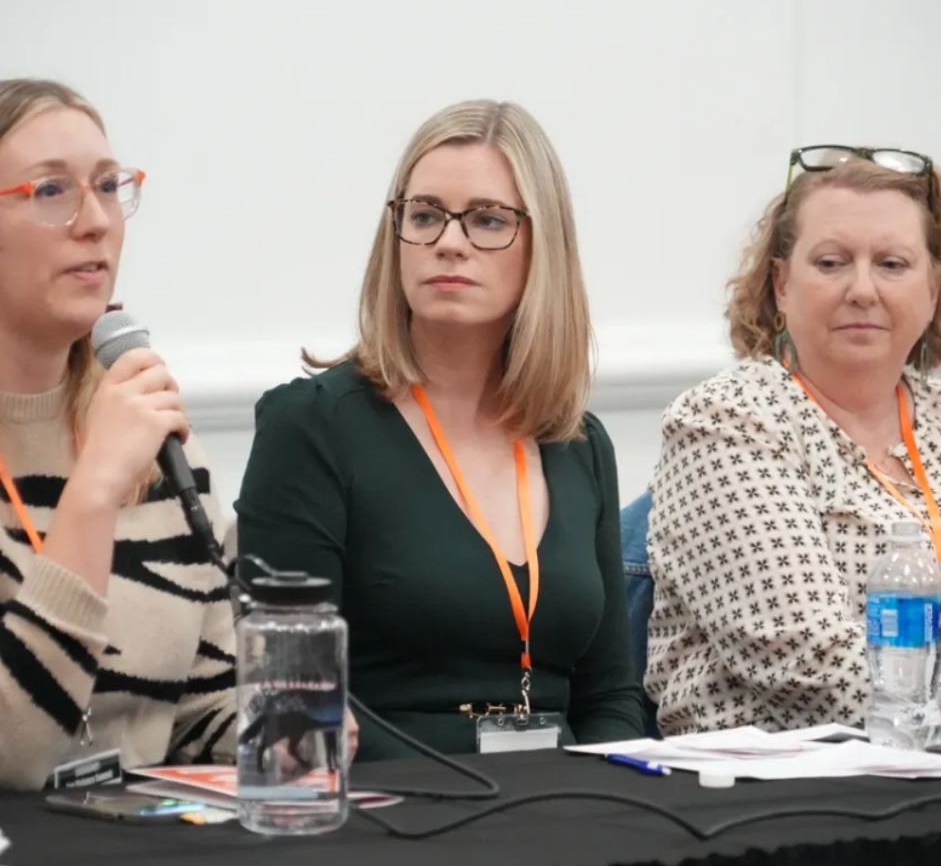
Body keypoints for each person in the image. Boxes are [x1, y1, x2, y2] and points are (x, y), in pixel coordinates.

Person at [236, 99, 647, 760]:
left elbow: (608, 697)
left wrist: (609, 809)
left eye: (487, 220)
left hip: (570, 810)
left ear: (543, 247)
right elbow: (292, 696)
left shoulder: (577, 442)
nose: (448, 241)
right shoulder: (311, 426)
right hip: (394, 812)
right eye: (424, 215)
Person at [645, 145, 941, 735]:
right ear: (782, 284)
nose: (863, 289)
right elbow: (805, 664)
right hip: (781, 798)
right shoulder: (728, 421)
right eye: (832, 262)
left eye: (892, 264)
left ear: (936, 288)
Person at [0, 79, 235, 789]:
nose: (96, 220)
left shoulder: (149, 429)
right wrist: (93, 490)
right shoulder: (119, 445)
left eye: (109, 186)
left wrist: (284, 729)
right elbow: (13, 762)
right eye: (51, 191)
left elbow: (206, 707)